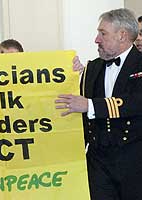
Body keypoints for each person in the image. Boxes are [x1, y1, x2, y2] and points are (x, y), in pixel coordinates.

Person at [55, 8, 142, 200]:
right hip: (98, 164)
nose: (97, 39)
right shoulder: (92, 68)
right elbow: (73, 106)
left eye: (103, 33)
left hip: (135, 163)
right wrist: (67, 77)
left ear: (122, 35)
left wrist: (91, 106)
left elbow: (135, 102)